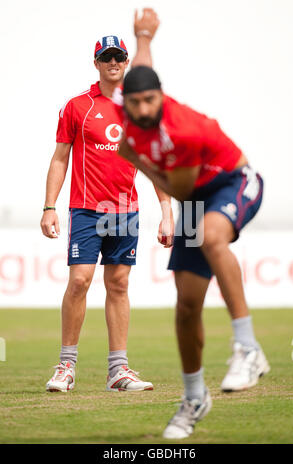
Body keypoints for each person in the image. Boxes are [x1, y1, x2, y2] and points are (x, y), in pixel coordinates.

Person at [116, 8, 270, 438]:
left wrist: (137, 160)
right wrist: (143, 36)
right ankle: (194, 397)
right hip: (196, 196)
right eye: (135, 102)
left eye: (149, 100)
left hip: (232, 181)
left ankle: (248, 346)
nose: (144, 108)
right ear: (125, 103)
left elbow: (182, 193)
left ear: (162, 97)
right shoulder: (133, 108)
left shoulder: (181, 132)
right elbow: (141, 69)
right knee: (186, 307)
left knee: (210, 234)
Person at [40, 21, 174, 393]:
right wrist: (49, 206)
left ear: (126, 62)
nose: (113, 62)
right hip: (86, 209)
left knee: (118, 284)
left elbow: (153, 164)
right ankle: (66, 366)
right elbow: (59, 159)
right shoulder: (77, 107)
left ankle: (119, 372)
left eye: (118, 56)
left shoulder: (139, 109)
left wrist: (166, 212)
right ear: (97, 63)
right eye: (106, 57)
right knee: (80, 281)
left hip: (125, 211)